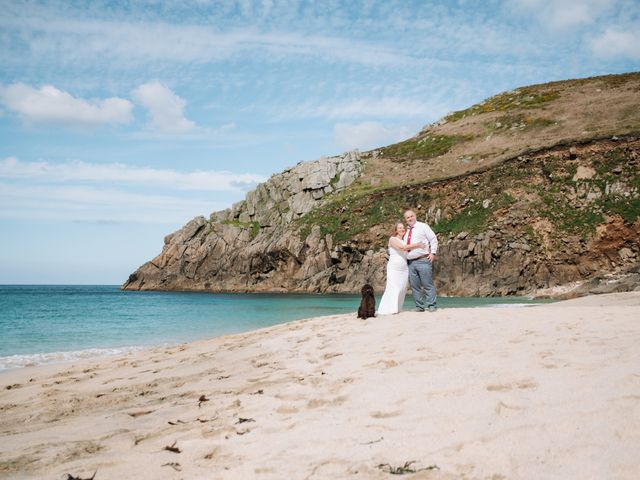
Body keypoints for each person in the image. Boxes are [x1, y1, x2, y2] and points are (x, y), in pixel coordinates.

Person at [377, 222, 426, 315]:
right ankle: (389, 309)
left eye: (403, 228)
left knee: (402, 288)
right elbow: (401, 248)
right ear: (396, 230)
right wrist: (417, 245)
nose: (402, 229)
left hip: (404, 267)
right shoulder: (392, 239)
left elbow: (408, 250)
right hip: (394, 267)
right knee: (394, 287)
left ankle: (397, 308)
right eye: (399, 228)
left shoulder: (405, 241)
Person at [403, 210, 438, 312]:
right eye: (407, 218)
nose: (410, 219)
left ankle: (432, 305)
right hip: (410, 263)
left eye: (411, 216)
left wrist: (433, 253)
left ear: (415, 216)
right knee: (415, 286)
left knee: (427, 284)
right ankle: (419, 306)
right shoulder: (406, 231)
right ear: (405, 220)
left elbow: (433, 239)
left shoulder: (423, 226)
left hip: (423, 259)